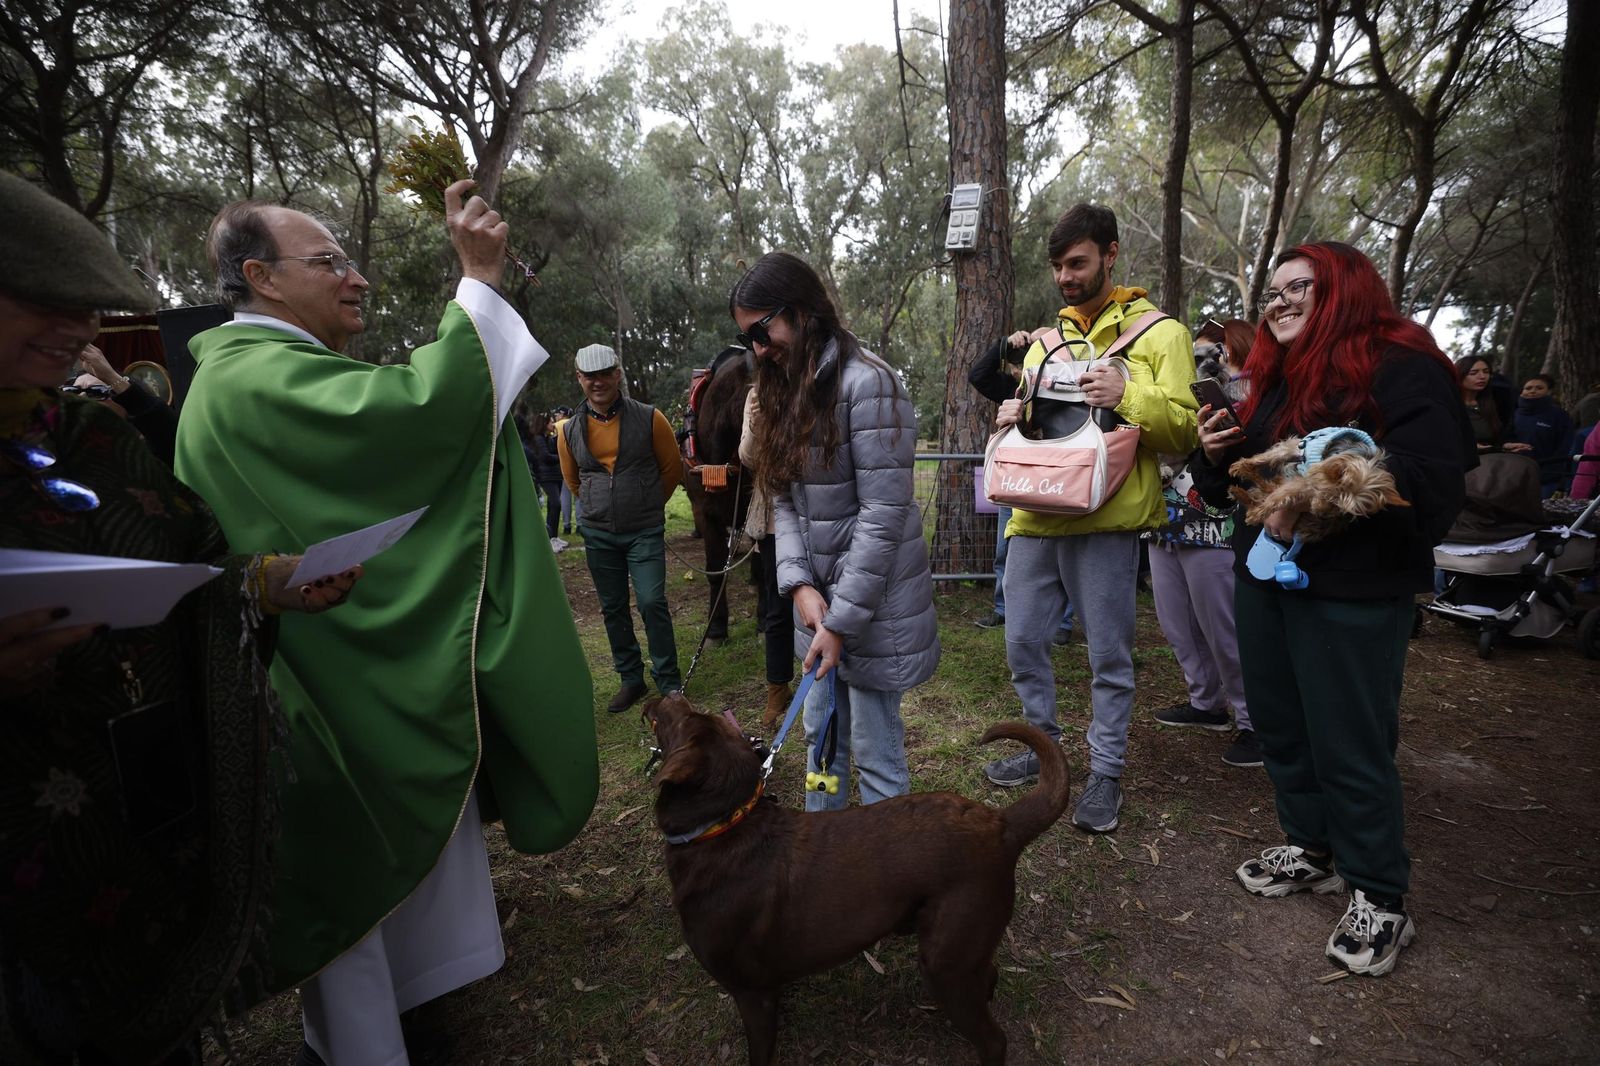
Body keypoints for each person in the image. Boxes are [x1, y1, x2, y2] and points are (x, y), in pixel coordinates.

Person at [175, 183, 598, 1065]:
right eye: (329, 261)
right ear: (260, 277)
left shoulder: (255, 370)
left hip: (333, 674)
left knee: (373, 923)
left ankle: (397, 1026)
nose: (356, 277)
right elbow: (416, 419)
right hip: (326, 701)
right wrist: (477, 279)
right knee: (353, 912)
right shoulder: (253, 376)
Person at [0, 171, 356, 1064]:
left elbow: (189, 561)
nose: (79, 327)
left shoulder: (97, 437)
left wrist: (264, 585)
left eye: (88, 305)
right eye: (45, 302)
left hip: (147, 822)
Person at [1193, 240, 1472, 977]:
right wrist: (1214, 456)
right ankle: (1313, 847)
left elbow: (1432, 480)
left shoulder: (1403, 365)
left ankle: (1378, 891)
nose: (1279, 303)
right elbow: (1236, 487)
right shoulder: (1281, 379)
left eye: (1300, 288)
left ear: (1344, 290)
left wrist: (1319, 490)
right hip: (1265, 580)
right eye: (1273, 292)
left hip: (1352, 590)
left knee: (1349, 737)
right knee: (1282, 725)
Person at [985, 203, 1198, 836]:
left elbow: (1185, 431)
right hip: (1035, 513)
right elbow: (1036, 422)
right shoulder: (1045, 342)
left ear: (1110, 255)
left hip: (1106, 520)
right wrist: (1014, 415)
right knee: (1022, 643)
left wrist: (1127, 393)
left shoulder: (1162, 335)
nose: (1064, 278)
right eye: (1057, 267)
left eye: (1076, 263)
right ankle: (1043, 747)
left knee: (1108, 655)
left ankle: (1106, 770)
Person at [731, 251, 938, 811]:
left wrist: (841, 620)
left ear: (800, 311)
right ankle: (823, 852)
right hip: (815, 613)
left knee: (875, 757)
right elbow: (782, 498)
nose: (758, 349)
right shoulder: (780, 389)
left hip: (871, 613)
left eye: (762, 331)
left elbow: (883, 515)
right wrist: (799, 585)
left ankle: (888, 863)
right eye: (747, 338)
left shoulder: (871, 384)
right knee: (820, 753)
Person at [1148, 318, 1259, 768]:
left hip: (1216, 526)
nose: (1207, 363)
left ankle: (1255, 721)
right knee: (1178, 625)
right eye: (1197, 356)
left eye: (1218, 353)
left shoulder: (1255, 395)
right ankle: (1206, 702)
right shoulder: (1181, 393)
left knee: (1224, 629)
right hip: (1164, 519)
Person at [556, 343, 684, 712]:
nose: (597, 382)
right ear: (579, 378)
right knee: (612, 607)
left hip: (643, 529)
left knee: (651, 601)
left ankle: (669, 682)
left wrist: (645, 503)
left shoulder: (650, 418)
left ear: (617, 375)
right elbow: (573, 480)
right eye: (589, 376)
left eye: (604, 374)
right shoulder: (568, 430)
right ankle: (631, 679)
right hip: (598, 533)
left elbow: (671, 469)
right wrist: (598, 507)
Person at [967, 324, 1076, 643]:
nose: (1038, 352)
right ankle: (1004, 609)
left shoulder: (1071, 387)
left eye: (1046, 346)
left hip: (1058, 479)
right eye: (1033, 346)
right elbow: (978, 375)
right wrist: (1005, 344)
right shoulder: (1016, 388)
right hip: (1018, 480)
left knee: (1062, 551)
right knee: (1006, 549)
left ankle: (1062, 623)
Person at [737, 387, 797, 729]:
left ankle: (829, 681)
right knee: (777, 607)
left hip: (821, 516)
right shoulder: (757, 395)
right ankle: (778, 686)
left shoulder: (819, 384)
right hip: (775, 520)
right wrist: (757, 426)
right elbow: (747, 457)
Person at [62, 342, 180, 465]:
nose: (82, 397)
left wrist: (112, 377)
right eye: (73, 391)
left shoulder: (145, 453)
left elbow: (168, 433)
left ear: (124, 403)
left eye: (96, 392)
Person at [1512, 374, 1575, 496]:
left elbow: (1566, 446)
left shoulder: (1559, 416)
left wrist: (1555, 473)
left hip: (1548, 478)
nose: (1533, 391)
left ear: (1549, 391)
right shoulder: (1513, 413)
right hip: (1514, 475)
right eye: (1528, 388)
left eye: (1539, 388)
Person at [1454, 355, 1530, 455]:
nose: (1482, 376)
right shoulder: (1449, 405)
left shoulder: (1496, 402)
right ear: (1460, 376)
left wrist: (1505, 445)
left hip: (1490, 458)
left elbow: (1497, 437)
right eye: (1473, 373)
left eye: (1486, 372)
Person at [524, 410, 568, 545]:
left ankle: (553, 536)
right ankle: (550, 537)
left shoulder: (548, 438)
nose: (553, 424)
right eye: (551, 422)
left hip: (555, 475)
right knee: (556, 503)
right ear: (544, 424)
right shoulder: (538, 439)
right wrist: (562, 457)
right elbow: (545, 457)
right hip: (546, 476)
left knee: (553, 505)